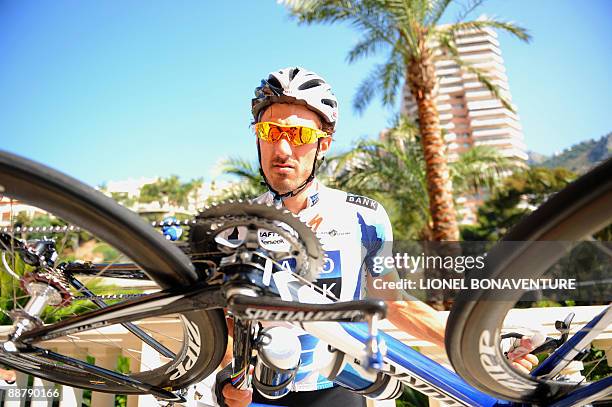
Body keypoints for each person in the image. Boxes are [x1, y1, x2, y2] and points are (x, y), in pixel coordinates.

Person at [216, 67, 538, 407]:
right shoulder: (234, 224)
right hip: (255, 394)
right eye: (270, 131)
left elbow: (396, 304)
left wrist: (485, 350)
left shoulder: (363, 217)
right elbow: (224, 319)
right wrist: (226, 376)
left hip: (338, 389)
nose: (281, 148)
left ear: (322, 144)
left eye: (298, 134)